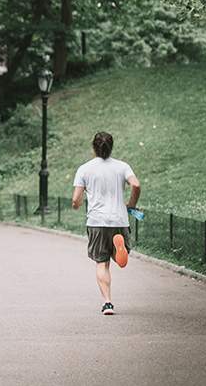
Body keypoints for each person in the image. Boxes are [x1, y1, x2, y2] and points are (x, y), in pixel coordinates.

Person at [72, 132, 141, 316]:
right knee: (116, 255)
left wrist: (77, 204)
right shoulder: (122, 166)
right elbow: (136, 185)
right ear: (111, 147)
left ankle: (108, 303)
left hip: (97, 222)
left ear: (93, 147)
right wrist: (131, 204)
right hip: (119, 219)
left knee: (101, 263)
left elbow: (76, 199)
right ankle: (120, 250)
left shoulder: (84, 169)